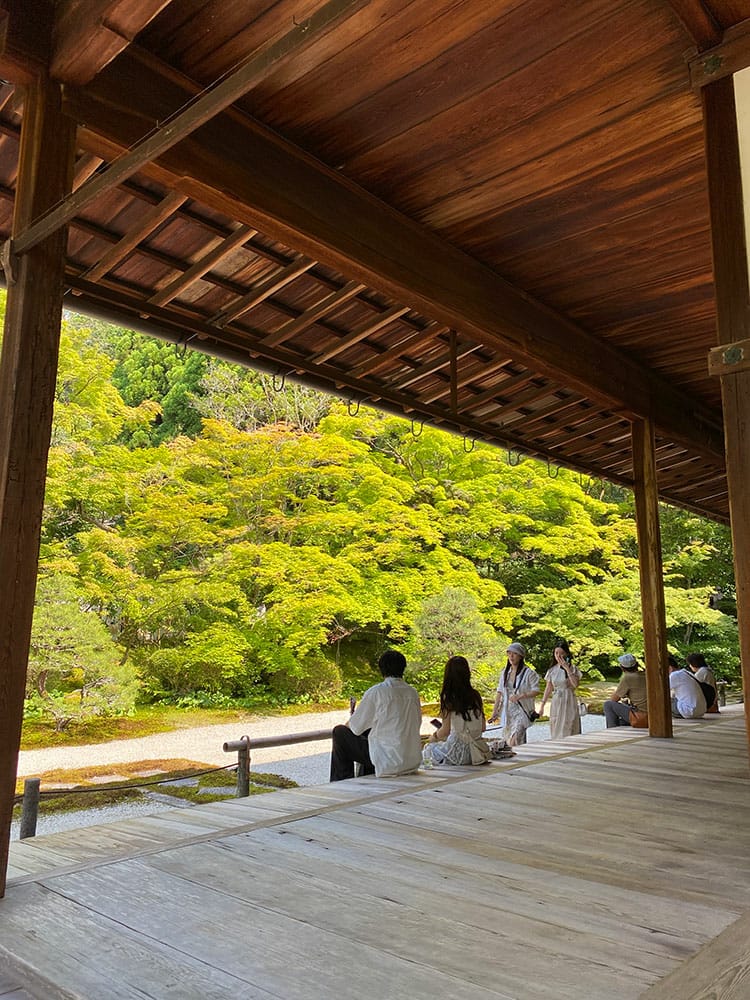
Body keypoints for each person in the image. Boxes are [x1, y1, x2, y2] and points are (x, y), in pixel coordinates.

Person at [329, 649, 422, 781]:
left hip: (387, 760)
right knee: (370, 732)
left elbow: (355, 727)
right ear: (403, 668)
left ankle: (342, 781)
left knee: (340, 732)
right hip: (410, 762)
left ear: (381, 669)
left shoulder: (377, 692)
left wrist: (349, 722)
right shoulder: (412, 693)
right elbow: (417, 722)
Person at [423, 656, 491, 766]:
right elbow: (482, 727)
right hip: (476, 753)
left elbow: (445, 731)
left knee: (428, 749)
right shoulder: (476, 696)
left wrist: (434, 737)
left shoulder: (448, 696)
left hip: (456, 753)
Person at [489, 642, 540, 746]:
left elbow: (536, 690)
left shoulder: (529, 673)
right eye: (509, 653)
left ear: (520, 656)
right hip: (508, 711)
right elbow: (499, 692)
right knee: (510, 741)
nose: (511, 656)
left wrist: (521, 696)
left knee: (515, 738)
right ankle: (518, 755)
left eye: (515, 653)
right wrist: (495, 712)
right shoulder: (505, 672)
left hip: (522, 710)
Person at [538, 640, 581, 738]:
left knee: (569, 726)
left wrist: (567, 669)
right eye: (556, 653)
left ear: (566, 654)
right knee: (556, 725)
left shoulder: (573, 668)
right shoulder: (552, 670)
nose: (558, 656)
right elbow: (548, 688)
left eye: (561, 653)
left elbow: (575, 684)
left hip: (569, 699)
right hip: (557, 700)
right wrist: (542, 705)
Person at [603, 653, 648, 727]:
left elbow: (614, 699)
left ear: (622, 668)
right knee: (621, 722)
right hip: (652, 714)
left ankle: (611, 729)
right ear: (637, 664)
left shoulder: (628, 678)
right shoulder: (646, 675)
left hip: (641, 716)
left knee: (608, 705)